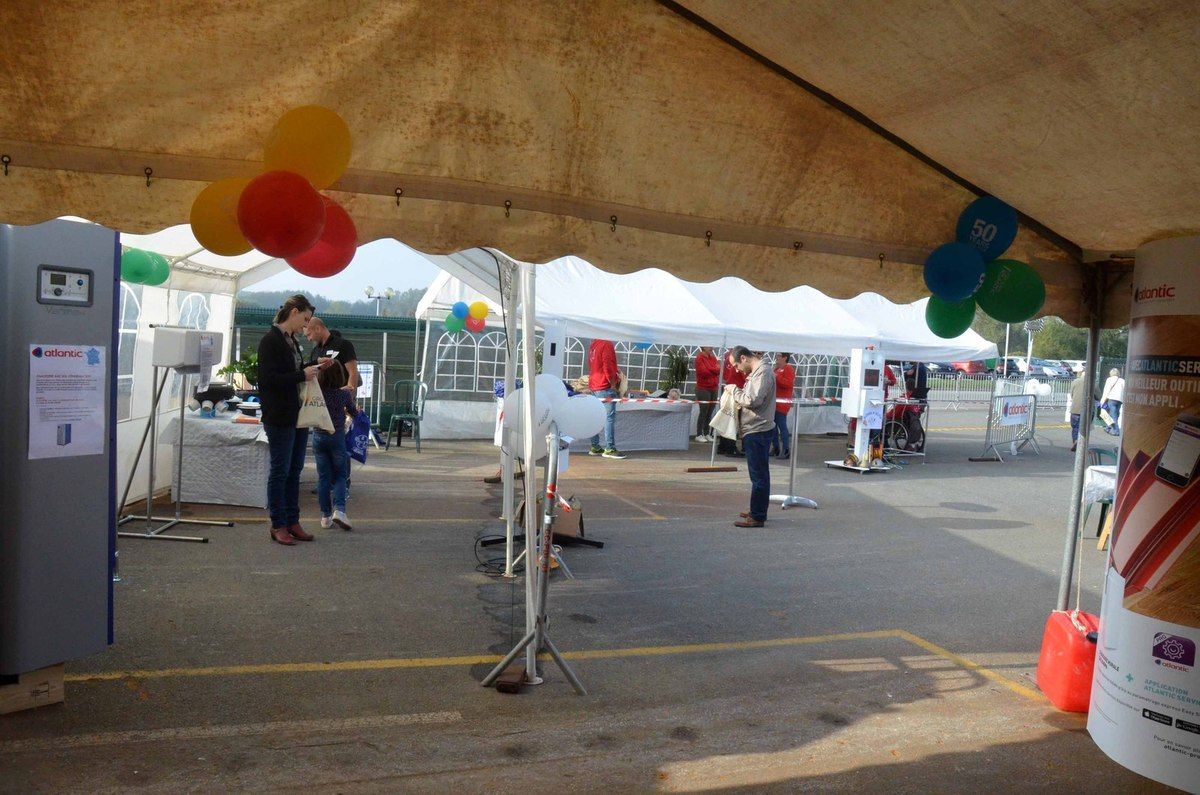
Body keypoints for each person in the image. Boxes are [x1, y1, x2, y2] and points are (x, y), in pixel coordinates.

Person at [258, 294, 326, 546]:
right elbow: (268, 379)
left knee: (294, 471)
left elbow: (294, 371)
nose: (306, 326)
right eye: (305, 319)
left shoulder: (291, 341)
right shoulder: (270, 341)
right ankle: (278, 524)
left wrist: (315, 365)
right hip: (279, 416)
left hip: (297, 414)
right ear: (294, 312)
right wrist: (301, 375)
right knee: (280, 471)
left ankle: (292, 521)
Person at [726, 347, 776, 527]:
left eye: (736, 365)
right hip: (756, 428)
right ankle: (757, 510)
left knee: (759, 476)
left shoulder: (762, 372)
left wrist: (734, 391)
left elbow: (752, 400)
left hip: (757, 429)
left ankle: (758, 516)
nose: (737, 370)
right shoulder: (759, 371)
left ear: (743, 358)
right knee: (760, 475)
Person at [312, 359, 359, 531]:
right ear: (340, 376)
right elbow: (353, 412)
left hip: (318, 436)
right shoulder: (343, 395)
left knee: (323, 477)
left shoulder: (316, 394)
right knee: (340, 475)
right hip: (337, 436)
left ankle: (325, 516)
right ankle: (339, 510)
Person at [587, 338, 627, 459]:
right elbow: (608, 365)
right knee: (608, 418)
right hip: (605, 385)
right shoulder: (606, 343)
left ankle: (595, 446)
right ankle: (609, 448)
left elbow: (591, 364)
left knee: (595, 417)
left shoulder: (594, 343)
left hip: (594, 385)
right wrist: (613, 383)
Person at [305, 317, 359, 391]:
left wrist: (349, 393)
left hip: (340, 394)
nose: (309, 339)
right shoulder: (315, 351)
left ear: (318, 329)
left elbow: (353, 372)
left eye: (309, 334)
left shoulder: (343, 344)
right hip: (320, 396)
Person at [718, 349, 749, 457]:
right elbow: (746, 378)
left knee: (727, 420)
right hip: (735, 394)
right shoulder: (740, 365)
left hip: (729, 391)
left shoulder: (730, 360)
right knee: (733, 421)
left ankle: (723, 447)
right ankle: (730, 448)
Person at [771, 352, 795, 458]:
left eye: (779, 355)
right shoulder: (776, 369)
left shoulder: (788, 368)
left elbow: (788, 383)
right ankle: (776, 447)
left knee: (782, 426)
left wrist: (777, 376)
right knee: (773, 426)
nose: (777, 357)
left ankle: (786, 449)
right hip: (774, 402)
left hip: (782, 403)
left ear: (785, 358)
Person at [694, 346, 720, 443]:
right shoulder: (699, 358)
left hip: (713, 387)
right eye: (709, 346)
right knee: (703, 412)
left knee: (710, 412)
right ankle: (699, 434)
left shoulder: (713, 358)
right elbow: (703, 372)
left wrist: (711, 369)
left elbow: (719, 370)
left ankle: (706, 433)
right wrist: (714, 369)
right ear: (703, 347)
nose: (711, 347)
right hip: (703, 388)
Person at [1100, 367, 1125, 435]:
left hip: (1112, 399)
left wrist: (1102, 400)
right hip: (1120, 400)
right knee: (1115, 414)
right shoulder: (1122, 380)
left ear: (1111, 373)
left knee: (1113, 415)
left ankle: (1116, 431)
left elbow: (1106, 391)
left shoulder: (1109, 379)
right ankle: (1107, 428)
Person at [1069, 372, 1089, 452]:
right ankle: (1082, 443)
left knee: (1075, 427)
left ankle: (1075, 441)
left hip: (1075, 408)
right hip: (1087, 409)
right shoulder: (1092, 383)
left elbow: (1071, 394)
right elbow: (1098, 396)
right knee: (1085, 427)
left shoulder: (1075, 381)